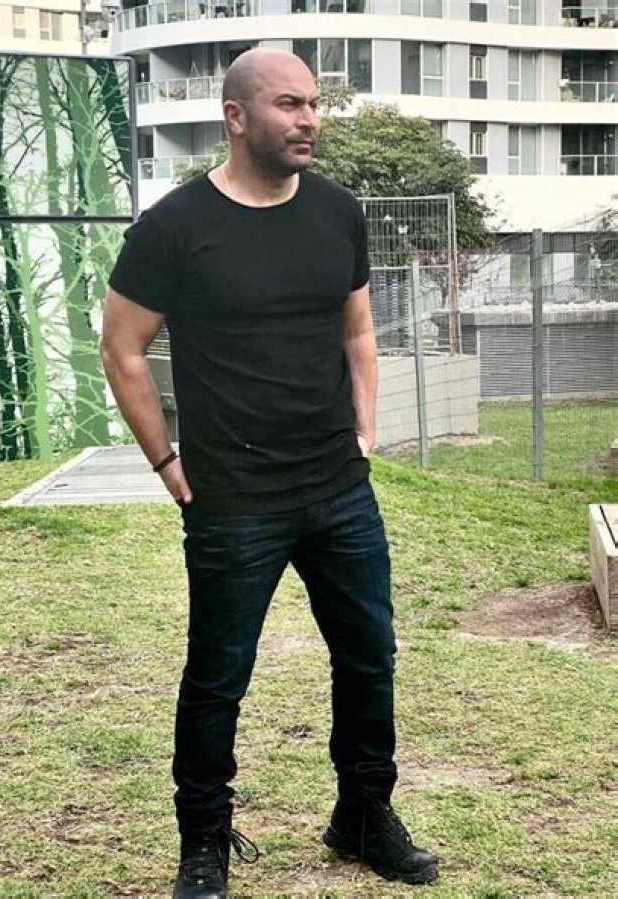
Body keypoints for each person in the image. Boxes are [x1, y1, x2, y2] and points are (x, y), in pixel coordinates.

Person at [101, 48, 438, 898]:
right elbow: (122, 347)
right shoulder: (174, 227)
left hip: (338, 489)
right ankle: (203, 843)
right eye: (289, 104)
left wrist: (364, 430)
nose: (309, 120)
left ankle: (364, 813)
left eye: (314, 104)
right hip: (233, 500)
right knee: (218, 677)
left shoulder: (337, 211)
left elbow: (357, 329)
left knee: (369, 658)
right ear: (237, 116)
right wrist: (167, 461)